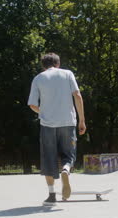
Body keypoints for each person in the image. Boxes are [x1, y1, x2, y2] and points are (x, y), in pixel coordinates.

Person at [27, 53, 86, 206]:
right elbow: (77, 96)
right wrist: (82, 120)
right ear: (58, 63)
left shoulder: (38, 78)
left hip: (47, 125)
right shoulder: (67, 74)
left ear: (43, 65)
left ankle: (52, 195)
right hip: (68, 122)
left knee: (48, 158)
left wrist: (45, 112)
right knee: (69, 154)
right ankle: (66, 169)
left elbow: (32, 105)